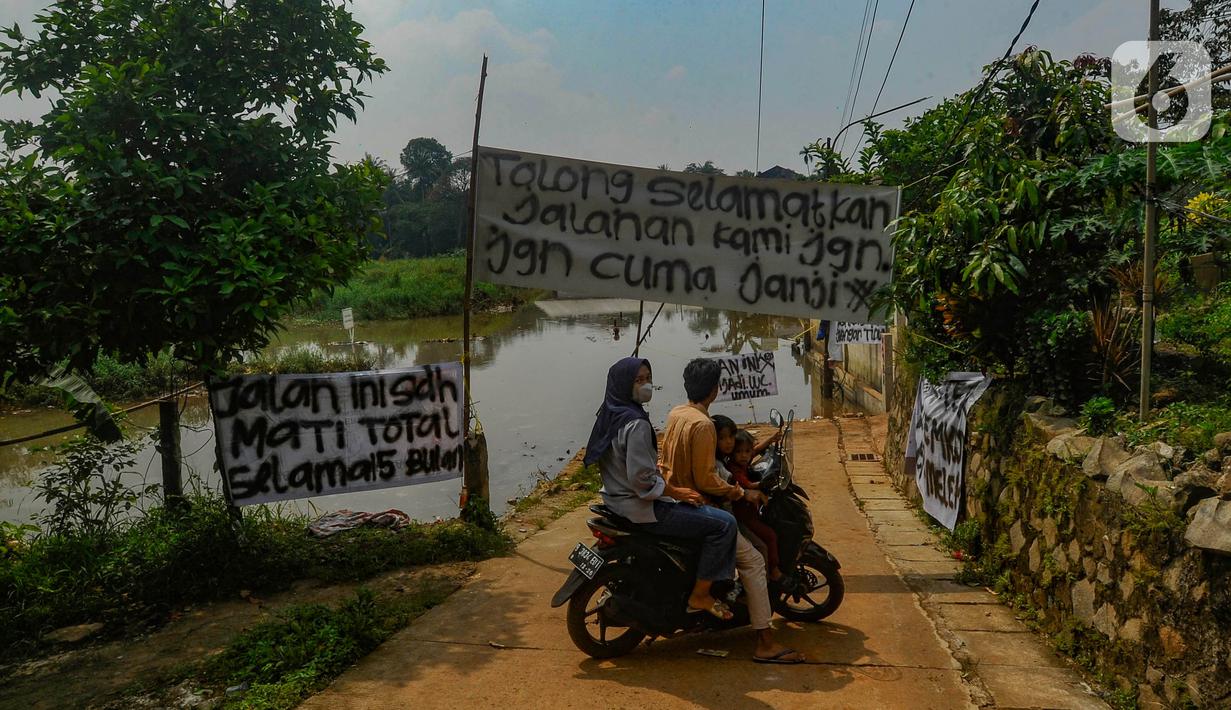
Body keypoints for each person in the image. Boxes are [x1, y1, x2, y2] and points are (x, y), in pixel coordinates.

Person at [659, 358, 805, 664]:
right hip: (700, 505)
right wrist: (743, 492)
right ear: (714, 389)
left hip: (672, 499)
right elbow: (706, 479)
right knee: (753, 559)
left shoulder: (676, 413)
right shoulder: (702, 425)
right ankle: (765, 642)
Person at [585, 357, 738, 620]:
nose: (646, 386)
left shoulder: (610, 415)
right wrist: (677, 492)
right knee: (724, 525)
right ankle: (700, 594)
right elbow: (642, 481)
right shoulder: (636, 424)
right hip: (643, 507)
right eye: (638, 380)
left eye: (648, 379)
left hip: (616, 501)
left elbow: (624, 465)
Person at [726, 429, 784, 582]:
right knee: (769, 537)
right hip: (745, 517)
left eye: (746, 451)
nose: (744, 455)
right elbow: (749, 486)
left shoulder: (742, 461)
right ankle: (773, 570)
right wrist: (767, 482)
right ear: (732, 453)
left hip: (752, 512)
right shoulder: (734, 470)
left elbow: (755, 451)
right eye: (739, 452)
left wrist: (771, 439)